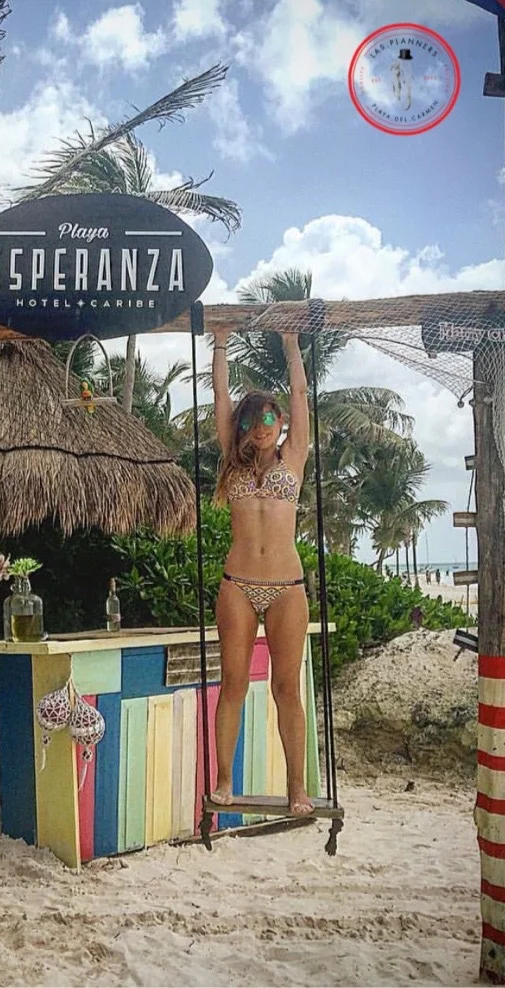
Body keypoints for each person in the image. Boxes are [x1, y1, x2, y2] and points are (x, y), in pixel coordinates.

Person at [210, 328, 313, 815]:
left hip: (287, 588)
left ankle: (297, 789)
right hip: (238, 585)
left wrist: (291, 343)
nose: (262, 426)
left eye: (269, 417)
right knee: (233, 684)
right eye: (252, 420)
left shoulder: (295, 456)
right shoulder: (233, 464)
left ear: (281, 421)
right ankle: (224, 780)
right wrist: (220, 343)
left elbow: (300, 393)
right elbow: (220, 398)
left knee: (285, 688)